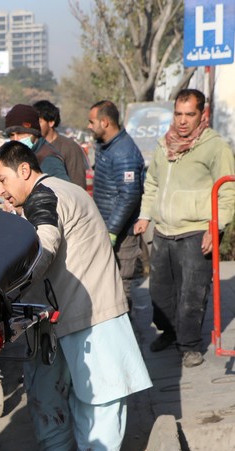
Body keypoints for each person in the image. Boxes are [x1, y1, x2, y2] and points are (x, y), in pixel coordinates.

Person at [0, 141, 151, 451]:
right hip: (56, 313)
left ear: (24, 170)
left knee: (98, 400)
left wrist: (4, 288)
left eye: (2, 179)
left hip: (92, 314)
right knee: (45, 387)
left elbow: (44, 246)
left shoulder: (44, 197)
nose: (0, 190)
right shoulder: (62, 191)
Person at [134, 89, 235, 368]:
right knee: (160, 291)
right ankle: (169, 332)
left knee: (192, 293)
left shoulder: (216, 147)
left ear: (203, 114)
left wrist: (215, 228)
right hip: (164, 230)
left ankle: (189, 345)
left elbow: (227, 192)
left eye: (189, 114)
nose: (182, 121)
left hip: (196, 229)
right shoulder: (165, 143)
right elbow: (152, 183)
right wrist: (145, 215)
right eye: (178, 113)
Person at [87, 100, 145, 306]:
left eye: (91, 121)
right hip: (109, 228)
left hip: (122, 233)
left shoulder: (124, 152)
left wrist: (112, 230)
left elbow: (129, 195)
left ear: (104, 122)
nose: (89, 126)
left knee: (121, 289)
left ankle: (128, 336)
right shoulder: (108, 146)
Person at [3, 104, 69, 182]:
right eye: (11, 135)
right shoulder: (14, 155)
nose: (16, 139)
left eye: (20, 133)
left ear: (34, 133)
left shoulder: (49, 159)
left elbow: (61, 190)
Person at [34, 99, 88, 190]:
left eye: (39, 122)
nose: (35, 126)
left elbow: (78, 184)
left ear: (51, 122)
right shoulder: (34, 147)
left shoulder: (70, 147)